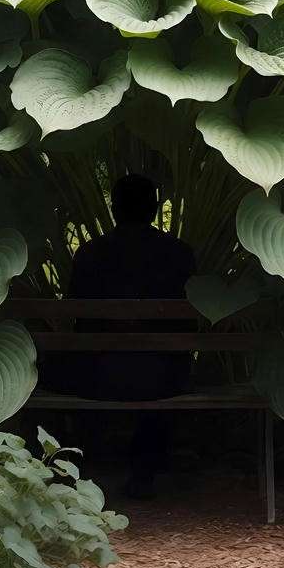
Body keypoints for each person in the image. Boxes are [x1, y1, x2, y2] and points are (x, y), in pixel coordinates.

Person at [62, 173, 196, 498]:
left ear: (114, 209)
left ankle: (78, 467)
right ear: (153, 208)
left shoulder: (90, 254)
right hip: (164, 380)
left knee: (69, 365)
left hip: (97, 378)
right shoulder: (179, 254)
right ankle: (144, 471)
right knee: (161, 371)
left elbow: (74, 315)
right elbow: (190, 325)